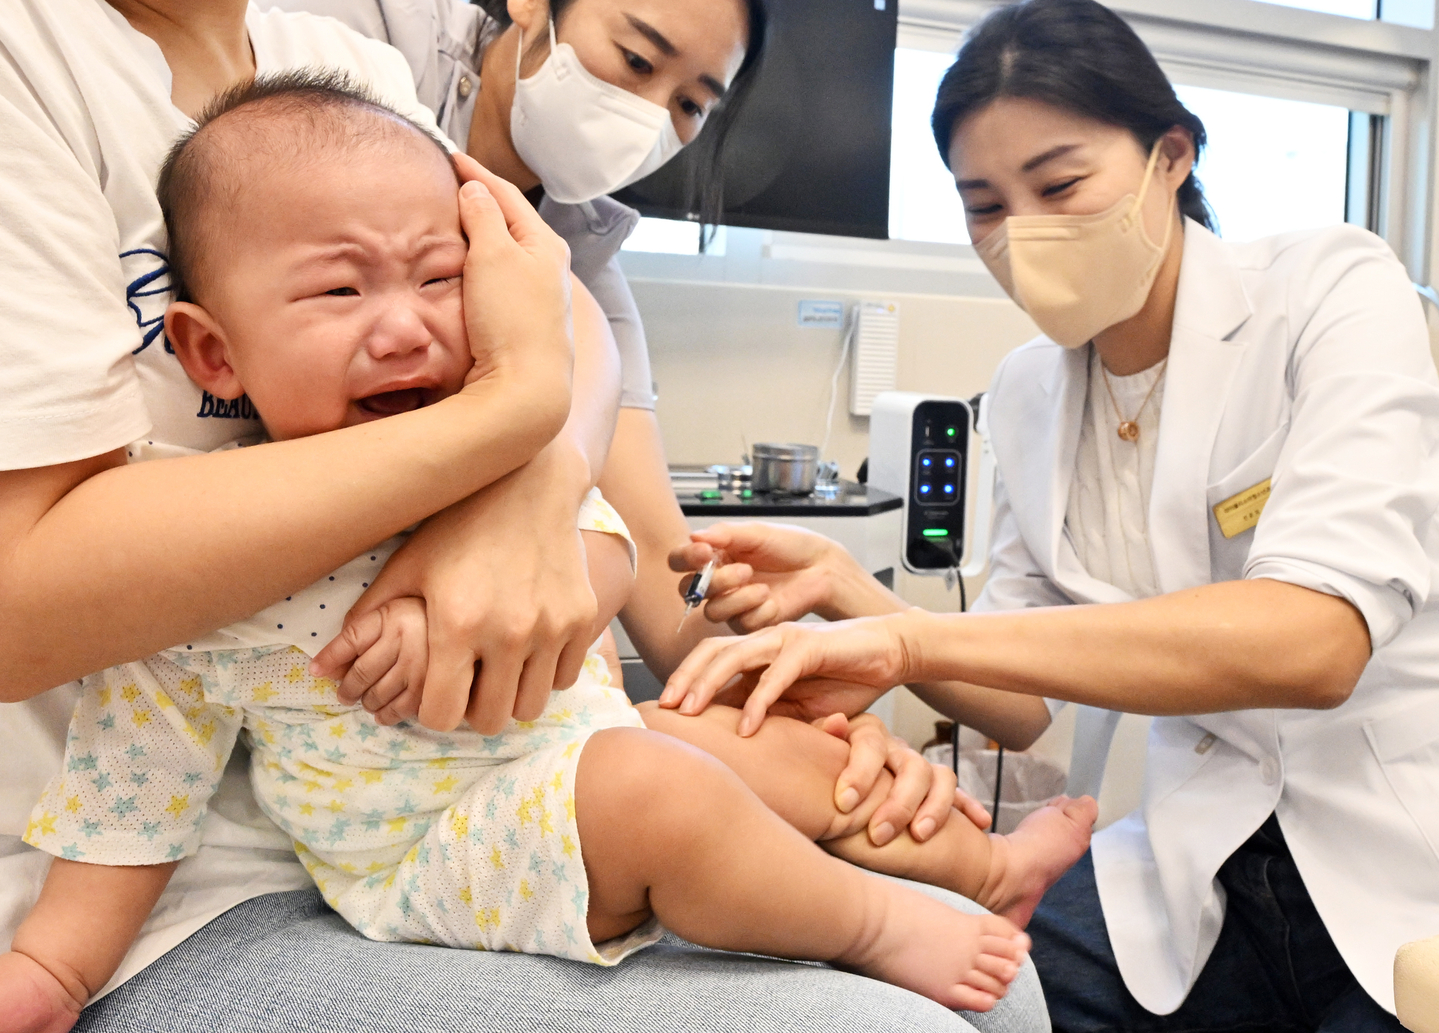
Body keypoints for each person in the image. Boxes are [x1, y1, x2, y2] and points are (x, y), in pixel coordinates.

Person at [0, 2, 1049, 1031]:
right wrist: (53, 964)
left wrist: (542, 546)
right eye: (337, 294)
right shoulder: (211, 576)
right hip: (427, 847)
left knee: (769, 755)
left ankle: (993, 863)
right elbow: (133, 787)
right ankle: (869, 922)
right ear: (213, 354)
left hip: (563, 753)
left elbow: (597, 529)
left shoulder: (339, 67)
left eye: (438, 279)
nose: (403, 327)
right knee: (665, 791)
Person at [660, 0, 1439, 1030]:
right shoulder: (1028, 390)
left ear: (1169, 155)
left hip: (1389, 837)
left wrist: (902, 637)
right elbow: (1019, 704)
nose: (1021, 232)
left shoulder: (1326, 289)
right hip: (1185, 856)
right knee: (980, 1010)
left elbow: (1315, 641)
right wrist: (850, 596)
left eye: (1060, 183)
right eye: (982, 203)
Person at [263, 0, 976, 859]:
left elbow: (668, 595)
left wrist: (782, 695)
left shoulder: (589, 279)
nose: (648, 116)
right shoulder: (353, 81)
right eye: (638, 61)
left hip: (503, 760)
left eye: (689, 105)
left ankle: (979, 863)